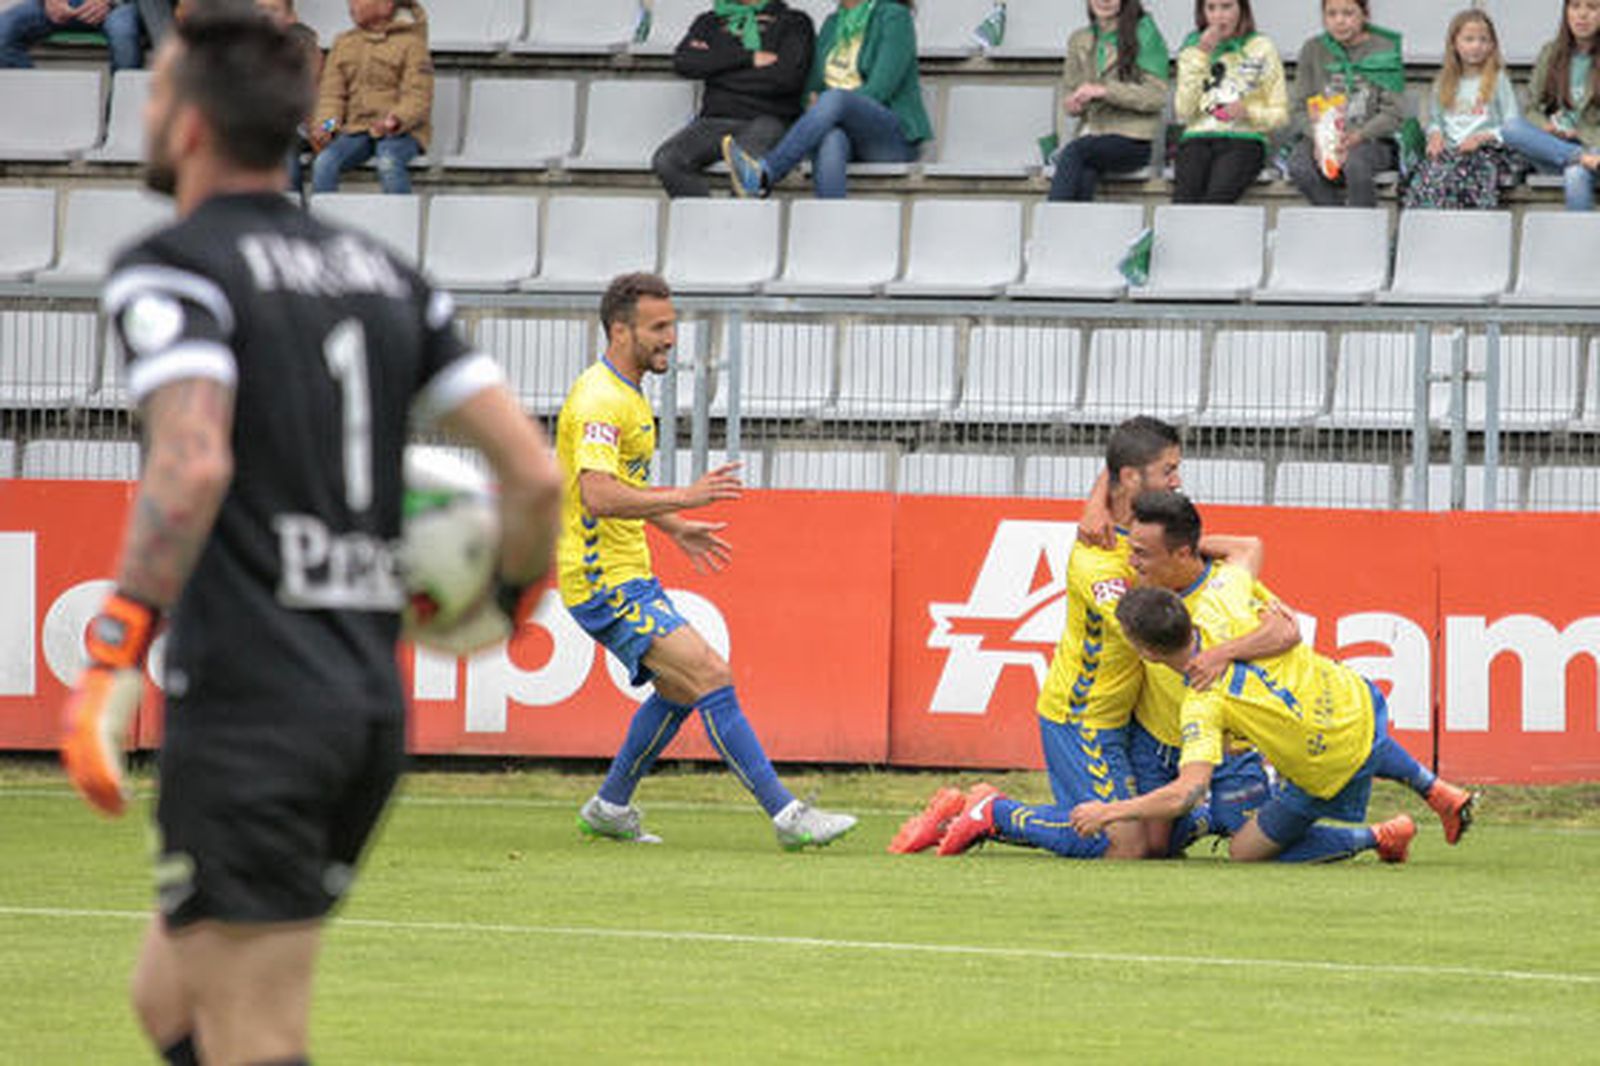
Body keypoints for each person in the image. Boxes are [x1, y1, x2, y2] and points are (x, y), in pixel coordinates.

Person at [56, 8, 562, 1064]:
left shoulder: (175, 266)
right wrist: (509, 606)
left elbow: (192, 461)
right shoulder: (388, 279)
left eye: (153, 96)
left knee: (253, 1033)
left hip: (253, 709)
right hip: (358, 702)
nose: (145, 114)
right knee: (170, 1001)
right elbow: (530, 473)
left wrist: (116, 646)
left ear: (189, 125)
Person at [562, 272, 856, 850]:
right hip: (601, 579)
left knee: (679, 689)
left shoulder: (625, 391)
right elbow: (595, 493)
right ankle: (787, 815)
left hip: (627, 572)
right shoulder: (601, 399)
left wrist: (673, 527)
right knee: (711, 674)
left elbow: (618, 485)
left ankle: (610, 806)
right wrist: (683, 498)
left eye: (672, 325)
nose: (672, 337)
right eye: (659, 327)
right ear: (620, 330)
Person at [893, 417, 1268, 860]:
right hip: (1084, 714)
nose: (1177, 479)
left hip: (1126, 713)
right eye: (1168, 469)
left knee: (1153, 844)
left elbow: (1212, 543)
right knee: (1119, 845)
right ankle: (995, 812)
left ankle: (1207, 815)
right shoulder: (1099, 562)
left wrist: (1102, 499)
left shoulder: (1142, 533)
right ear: (1131, 478)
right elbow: (1148, 626)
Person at [1071, 587, 1480, 864]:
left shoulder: (1201, 700)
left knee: (1245, 850)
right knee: (1356, 733)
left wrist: (1109, 811)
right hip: (1354, 697)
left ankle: (1380, 836)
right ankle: (1435, 788)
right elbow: (1287, 624)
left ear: (1146, 652)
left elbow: (1187, 791)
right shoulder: (1224, 608)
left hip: (1325, 762)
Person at [1121, 490, 1295, 858]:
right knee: (1153, 847)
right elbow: (1246, 546)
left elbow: (1286, 631)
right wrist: (1176, 546)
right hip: (1157, 736)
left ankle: (1376, 836)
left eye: (1142, 553)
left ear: (1182, 553)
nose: (1131, 562)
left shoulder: (1225, 588)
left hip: (1221, 737)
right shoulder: (1148, 587)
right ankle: (1205, 817)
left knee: (1249, 838)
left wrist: (1221, 653)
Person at [722, 0, 931, 199]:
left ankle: (767, 172)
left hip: (889, 138)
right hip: (841, 129)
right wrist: (817, 104)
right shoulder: (832, 24)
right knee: (831, 136)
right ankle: (833, 223)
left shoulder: (894, 17)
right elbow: (810, 90)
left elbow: (880, 89)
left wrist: (827, 104)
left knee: (836, 99)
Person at [653, 0, 815, 198]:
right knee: (667, 160)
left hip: (769, 119)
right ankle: (708, 222)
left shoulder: (794, 21)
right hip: (714, 120)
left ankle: (735, 224)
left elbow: (786, 79)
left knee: (746, 168)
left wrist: (718, 71)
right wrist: (748, 59)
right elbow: (685, 62)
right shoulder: (710, 21)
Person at [1286, 0, 1404, 209]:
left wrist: (1358, 136)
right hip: (1322, 137)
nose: (1340, 21)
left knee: (1356, 165)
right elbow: (1298, 107)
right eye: (1332, 14)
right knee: (1299, 166)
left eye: (1348, 13)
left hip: (1371, 140)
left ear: (1365, 14)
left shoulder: (1384, 49)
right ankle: (1336, 219)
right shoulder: (1312, 49)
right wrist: (1321, 139)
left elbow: (1393, 113)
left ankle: (1362, 227)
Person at [1049, 0, 1170, 202]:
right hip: (1092, 135)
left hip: (1132, 138)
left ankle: (1048, 227)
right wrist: (1073, 104)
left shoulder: (1145, 33)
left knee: (1074, 153)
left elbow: (1156, 96)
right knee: (1084, 173)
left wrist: (1105, 91)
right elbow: (1069, 92)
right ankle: (1071, 231)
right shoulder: (1079, 39)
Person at [1405, 9, 1525, 211]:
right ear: (1455, 44)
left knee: (1460, 176)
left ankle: (1465, 230)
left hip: (1488, 151)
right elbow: (1436, 121)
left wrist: (1480, 138)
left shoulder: (1497, 79)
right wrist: (1435, 135)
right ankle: (1423, 232)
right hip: (1452, 151)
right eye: (1469, 39)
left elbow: (1512, 124)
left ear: (1492, 45)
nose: (1476, 46)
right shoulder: (1443, 82)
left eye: (1483, 40)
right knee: (1427, 175)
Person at [309, 0, 432, 195]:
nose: (351, 5)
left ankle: (399, 223)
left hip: (402, 131)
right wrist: (327, 127)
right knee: (324, 162)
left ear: (386, 5)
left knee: (388, 161)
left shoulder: (412, 44)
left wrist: (395, 120)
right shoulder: (343, 43)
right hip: (356, 129)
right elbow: (332, 96)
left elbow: (418, 95)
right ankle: (321, 223)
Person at [1172, 0, 1288, 204]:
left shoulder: (1261, 47)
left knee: (1217, 199)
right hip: (1197, 138)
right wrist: (1201, 56)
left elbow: (1281, 114)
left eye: (1226, 7)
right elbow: (1184, 111)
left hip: (1244, 138)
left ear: (1242, 9)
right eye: (1211, 8)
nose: (1218, 16)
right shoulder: (1192, 49)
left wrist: (1249, 111)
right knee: (1184, 200)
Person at [1500, 0, 1600, 212]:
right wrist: (1547, 127)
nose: (1582, 15)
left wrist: (1580, 133)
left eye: (1592, 7)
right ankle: (1578, 157)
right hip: (1556, 150)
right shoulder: (1551, 53)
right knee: (1510, 127)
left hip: (1596, 149)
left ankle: (1577, 244)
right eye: (1575, 7)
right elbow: (1530, 109)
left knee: (1576, 174)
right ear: (1566, 12)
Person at [257, 0, 324, 193]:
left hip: (315, 130)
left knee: (284, 155)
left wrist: (324, 127)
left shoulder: (307, 47)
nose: (266, 16)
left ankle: (292, 207)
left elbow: (332, 118)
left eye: (273, 10)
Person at [0, 0, 144, 70]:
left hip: (116, 7)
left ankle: (120, 118)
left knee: (124, 34)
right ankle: (36, 107)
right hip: (59, 4)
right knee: (3, 30)